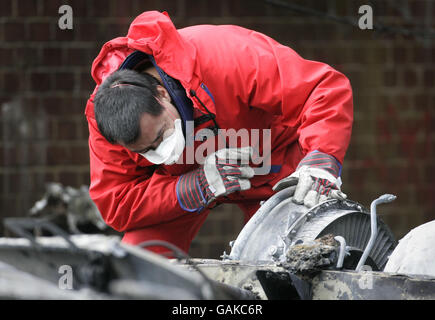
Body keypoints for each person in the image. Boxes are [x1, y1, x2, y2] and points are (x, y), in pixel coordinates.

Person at [85, 11, 353, 256]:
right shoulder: (105, 118)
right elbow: (117, 202)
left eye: (160, 137)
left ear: (162, 95)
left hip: (271, 161)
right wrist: (193, 187)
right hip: (184, 183)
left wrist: (321, 158)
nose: (161, 152)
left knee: (298, 256)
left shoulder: (225, 57)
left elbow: (321, 88)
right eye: (145, 151)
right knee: (140, 265)